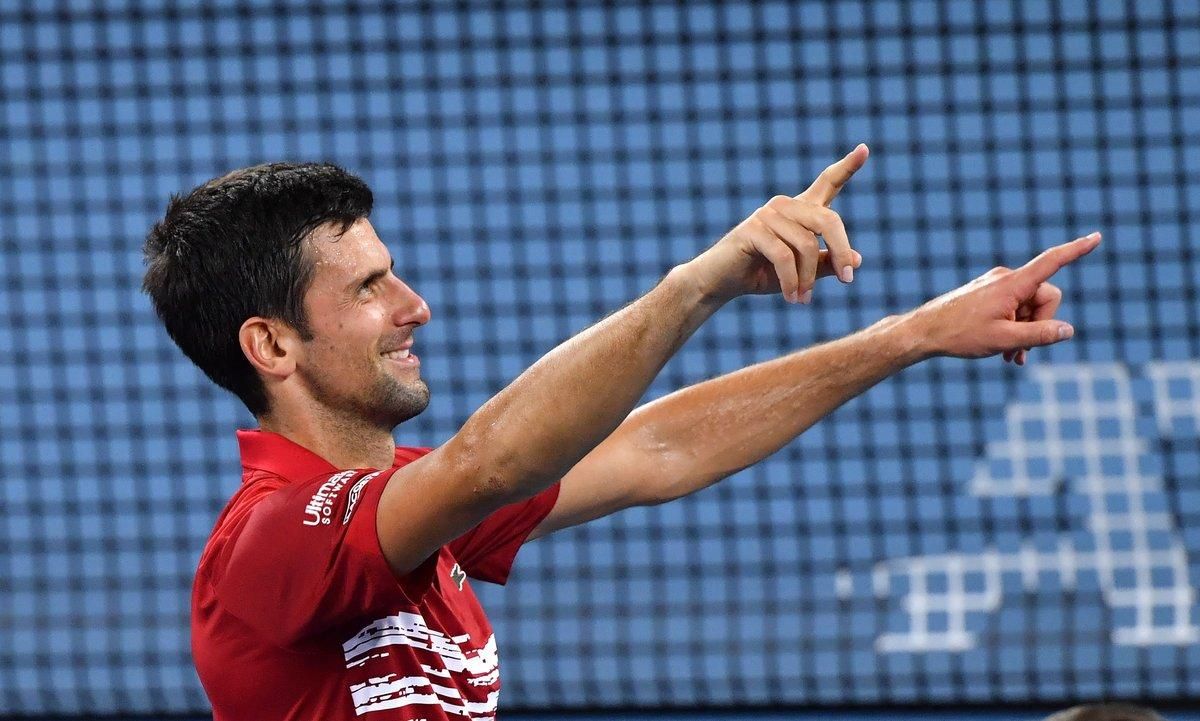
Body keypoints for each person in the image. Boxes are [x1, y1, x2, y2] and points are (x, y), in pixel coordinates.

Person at [143, 146, 1100, 720]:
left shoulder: (410, 513)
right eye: (367, 288)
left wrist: (912, 332)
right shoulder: (273, 542)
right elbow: (495, 458)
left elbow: (659, 448)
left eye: (394, 273)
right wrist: (700, 282)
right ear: (271, 344)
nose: (414, 306)